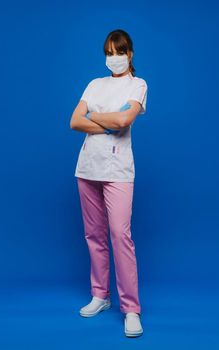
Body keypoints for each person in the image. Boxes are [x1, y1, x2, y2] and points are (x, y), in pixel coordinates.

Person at [69, 29, 148, 338]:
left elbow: (124, 121)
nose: (113, 58)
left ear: (129, 54)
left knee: (120, 235)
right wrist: (108, 120)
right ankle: (100, 295)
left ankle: (131, 309)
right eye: (109, 52)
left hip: (118, 170)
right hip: (87, 167)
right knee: (94, 235)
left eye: (119, 52)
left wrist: (98, 117)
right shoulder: (95, 84)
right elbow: (75, 121)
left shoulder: (138, 85)